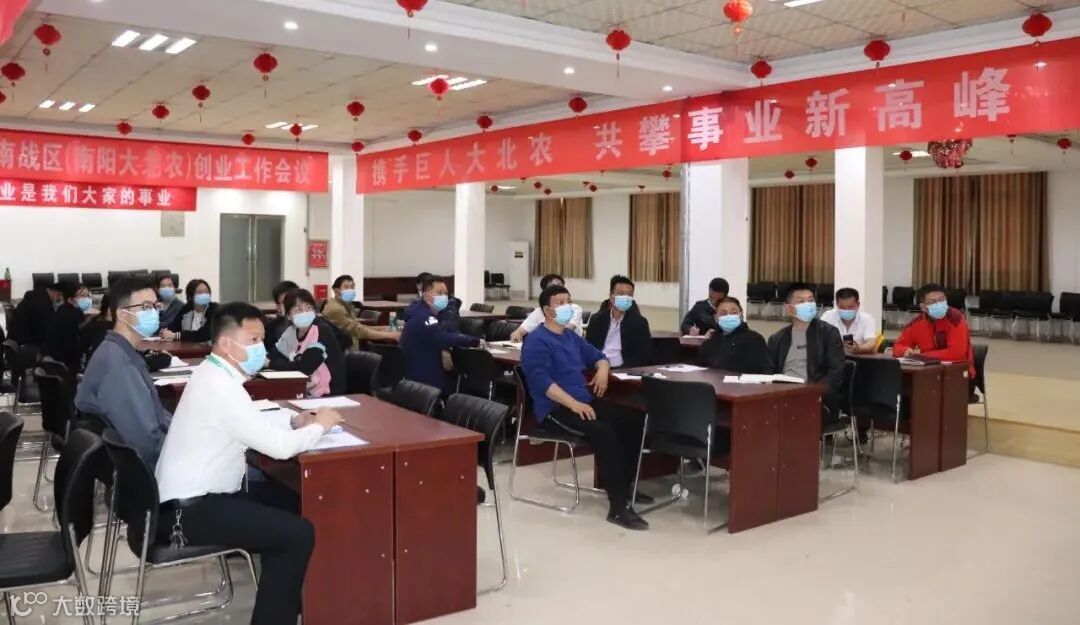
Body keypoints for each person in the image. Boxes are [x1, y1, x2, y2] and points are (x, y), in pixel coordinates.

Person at [154, 302, 342, 625]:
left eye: (262, 340)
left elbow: (248, 423)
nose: (260, 348)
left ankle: (290, 595)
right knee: (296, 534)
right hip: (187, 512)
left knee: (292, 501)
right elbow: (280, 448)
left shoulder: (213, 373)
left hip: (192, 497)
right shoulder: (221, 387)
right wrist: (320, 426)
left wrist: (294, 422)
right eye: (253, 341)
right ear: (226, 344)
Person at [521, 284, 649, 530]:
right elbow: (542, 382)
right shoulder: (536, 341)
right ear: (547, 311)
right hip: (555, 409)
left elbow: (598, 356)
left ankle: (625, 487)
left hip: (583, 401)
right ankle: (618, 507)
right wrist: (574, 404)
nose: (567, 306)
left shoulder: (570, 337)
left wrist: (602, 369)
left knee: (634, 420)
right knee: (604, 433)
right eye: (560, 302)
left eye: (569, 301)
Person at [75, 277, 172, 468]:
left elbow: (155, 415)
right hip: (151, 468)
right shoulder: (118, 366)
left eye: (155, 306)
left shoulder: (118, 351)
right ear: (122, 314)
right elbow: (146, 442)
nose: (153, 312)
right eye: (146, 307)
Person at [766, 283, 845, 419]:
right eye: (801, 301)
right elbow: (768, 370)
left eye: (810, 300)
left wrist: (815, 393)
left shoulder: (828, 333)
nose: (808, 305)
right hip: (783, 395)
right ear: (789, 308)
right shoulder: (777, 338)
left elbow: (836, 372)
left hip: (816, 397)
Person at [401, 274, 481, 393]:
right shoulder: (425, 317)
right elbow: (443, 338)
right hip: (426, 382)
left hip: (413, 379)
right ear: (426, 296)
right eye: (439, 293)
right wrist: (475, 341)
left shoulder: (416, 312)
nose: (444, 297)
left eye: (446, 294)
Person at [267, 289, 345, 397]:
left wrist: (270, 363)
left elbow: (304, 368)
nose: (305, 312)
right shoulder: (291, 331)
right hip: (304, 391)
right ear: (289, 315)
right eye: (299, 309)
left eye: (308, 308)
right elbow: (273, 354)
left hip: (327, 394)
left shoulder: (321, 330)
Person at [894, 283, 975, 378]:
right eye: (933, 302)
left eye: (942, 300)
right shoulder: (917, 323)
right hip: (927, 371)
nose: (939, 304)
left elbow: (956, 353)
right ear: (923, 307)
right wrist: (905, 351)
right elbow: (898, 345)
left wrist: (922, 356)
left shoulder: (956, 319)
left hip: (957, 372)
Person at [585, 275, 652, 368]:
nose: (625, 298)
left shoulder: (639, 323)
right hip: (598, 367)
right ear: (611, 297)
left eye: (629, 295)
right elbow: (588, 349)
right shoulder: (597, 319)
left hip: (623, 370)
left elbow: (644, 355)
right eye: (621, 294)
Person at [697, 297, 772, 374]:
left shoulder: (755, 339)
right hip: (716, 381)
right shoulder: (709, 343)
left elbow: (766, 369)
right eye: (723, 313)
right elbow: (701, 371)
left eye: (734, 313)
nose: (729, 316)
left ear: (741, 314)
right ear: (716, 317)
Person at [323, 274, 399, 349]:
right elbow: (357, 330)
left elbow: (357, 326)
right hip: (342, 352)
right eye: (346, 287)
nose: (350, 290)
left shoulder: (346, 305)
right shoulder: (335, 309)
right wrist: (390, 335)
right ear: (336, 291)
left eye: (352, 287)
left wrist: (381, 328)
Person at [510, 273, 583, 341]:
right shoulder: (539, 312)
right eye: (552, 286)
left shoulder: (574, 309)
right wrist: (517, 337)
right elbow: (519, 332)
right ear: (545, 291)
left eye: (560, 285)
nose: (557, 289)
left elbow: (566, 331)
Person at [43, 281, 92, 374]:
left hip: (53, 360)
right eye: (82, 296)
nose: (87, 299)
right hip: (65, 364)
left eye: (88, 295)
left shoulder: (62, 310)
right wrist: (91, 320)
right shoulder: (74, 314)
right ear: (70, 300)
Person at [819, 288, 879, 355]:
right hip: (832, 357)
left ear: (858, 304)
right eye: (842, 307)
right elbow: (818, 339)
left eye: (850, 307)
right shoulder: (828, 316)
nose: (846, 310)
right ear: (837, 304)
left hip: (858, 357)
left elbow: (871, 343)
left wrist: (859, 349)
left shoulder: (866, 319)